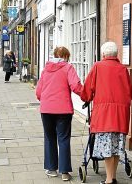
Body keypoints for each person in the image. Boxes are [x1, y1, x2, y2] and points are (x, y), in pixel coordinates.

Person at [80, 42, 132, 184]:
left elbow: (87, 89)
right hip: (120, 115)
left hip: (104, 115)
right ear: (116, 55)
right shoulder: (123, 69)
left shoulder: (98, 66)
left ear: (103, 54)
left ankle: (109, 180)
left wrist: (85, 98)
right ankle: (113, 177)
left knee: (107, 148)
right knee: (116, 148)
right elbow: (129, 93)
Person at [36, 46, 83, 182]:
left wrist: (45, 100)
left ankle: (51, 169)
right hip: (63, 109)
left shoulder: (46, 69)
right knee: (63, 139)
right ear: (66, 56)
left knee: (49, 137)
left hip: (46, 109)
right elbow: (75, 86)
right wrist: (86, 96)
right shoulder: (68, 68)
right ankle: (64, 172)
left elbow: (39, 91)